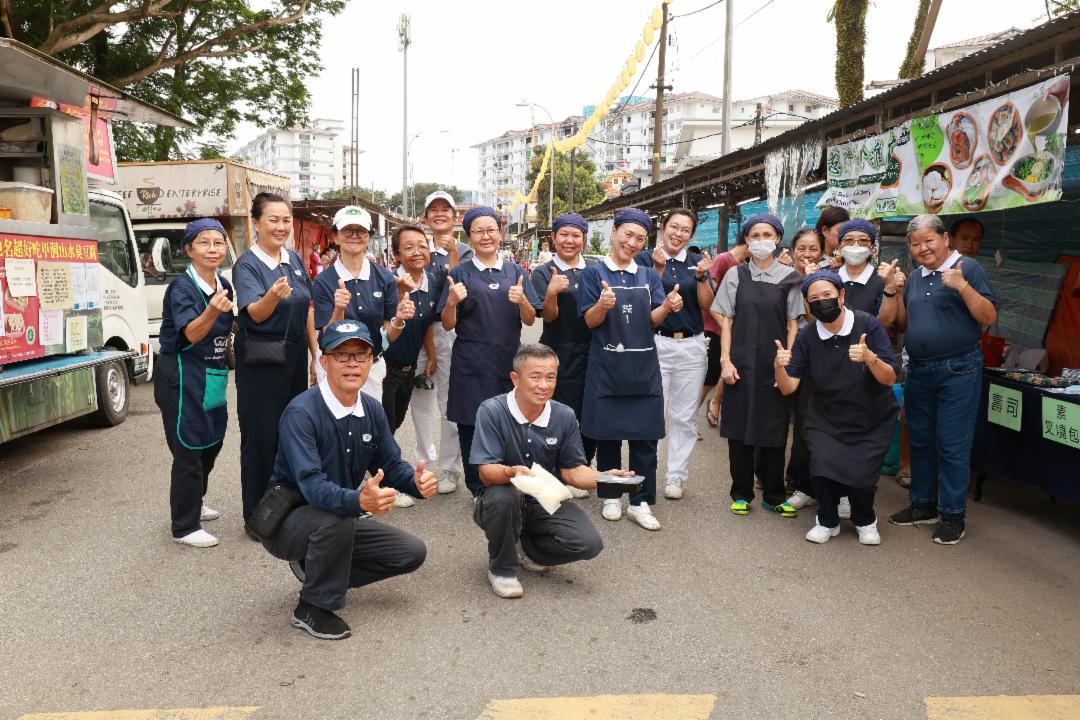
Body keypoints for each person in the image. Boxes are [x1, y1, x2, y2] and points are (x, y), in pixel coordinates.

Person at [260, 320, 436, 640]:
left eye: (361, 355)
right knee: (340, 516)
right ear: (324, 362)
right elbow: (312, 486)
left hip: (335, 517)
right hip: (287, 523)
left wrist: (416, 483)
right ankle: (312, 606)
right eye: (342, 355)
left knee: (411, 552)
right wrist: (358, 501)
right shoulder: (302, 413)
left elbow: (391, 464)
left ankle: (320, 570)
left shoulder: (370, 408)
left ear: (372, 362)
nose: (352, 363)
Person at [471, 344, 633, 598]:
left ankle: (526, 547)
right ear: (515, 378)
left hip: (545, 499)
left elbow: (573, 472)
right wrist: (510, 472)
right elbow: (486, 472)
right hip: (500, 499)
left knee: (589, 544)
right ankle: (502, 569)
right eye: (535, 377)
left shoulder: (564, 415)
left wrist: (606, 478)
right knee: (505, 496)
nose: (543, 385)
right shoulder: (492, 411)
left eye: (550, 377)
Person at [889, 215, 996, 545]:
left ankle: (952, 515)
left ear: (945, 239)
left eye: (928, 241)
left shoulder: (968, 268)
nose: (922, 248)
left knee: (952, 443)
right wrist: (895, 291)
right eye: (915, 244)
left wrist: (962, 287)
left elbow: (989, 317)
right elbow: (905, 324)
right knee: (921, 439)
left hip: (958, 369)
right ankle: (922, 504)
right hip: (920, 368)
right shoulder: (917, 277)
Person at [774, 270, 899, 545]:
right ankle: (827, 519)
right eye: (814, 298)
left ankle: (865, 519)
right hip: (827, 415)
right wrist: (778, 367)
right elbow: (788, 387)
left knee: (862, 476)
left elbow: (889, 378)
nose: (822, 302)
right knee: (822, 465)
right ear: (807, 305)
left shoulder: (868, 325)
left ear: (842, 295)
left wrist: (870, 358)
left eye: (828, 295)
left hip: (871, 416)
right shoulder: (807, 336)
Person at [578, 208, 684, 531]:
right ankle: (611, 496)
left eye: (640, 238)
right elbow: (589, 321)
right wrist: (602, 306)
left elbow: (651, 321)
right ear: (613, 233)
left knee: (645, 440)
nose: (633, 242)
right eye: (627, 234)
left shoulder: (650, 275)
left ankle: (639, 502)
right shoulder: (594, 274)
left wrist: (666, 307)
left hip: (643, 368)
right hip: (606, 366)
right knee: (608, 437)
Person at [438, 206, 542, 499]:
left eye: (491, 230)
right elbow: (447, 324)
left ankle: (510, 479)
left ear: (500, 233)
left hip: (508, 360)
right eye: (478, 231)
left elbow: (530, 318)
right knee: (471, 424)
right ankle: (478, 489)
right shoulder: (460, 272)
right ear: (469, 236)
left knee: (511, 421)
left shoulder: (515, 271)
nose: (486, 236)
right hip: (471, 359)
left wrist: (522, 300)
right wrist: (451, 302)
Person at [233, 192, 319, 529]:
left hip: (294, 356)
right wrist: (271, 296)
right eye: (273, 219)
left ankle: (283, 505)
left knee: (292, 432)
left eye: (286, 220)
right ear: (256, 224)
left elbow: (307, 307)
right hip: (261, 361)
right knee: (261, 437)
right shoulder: (248, 264)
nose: (281, 226)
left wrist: (316, 353)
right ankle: (256, 515)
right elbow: (253, 313)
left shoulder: (293, 259)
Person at [710, 213, 803, 518]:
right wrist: (725, 360)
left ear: (778, 239)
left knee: (774, 429)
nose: (762, 240)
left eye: (768, 235)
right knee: (738, 428)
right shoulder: (736, 275)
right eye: (755, 235)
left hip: (774, 363)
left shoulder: (790, 277)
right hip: (741, 361)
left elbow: (792, 324)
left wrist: (787, 365)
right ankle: (741, 493)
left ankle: (774, 495)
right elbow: (726, 321)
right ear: (747, 240)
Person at [154, 218, 235, 548]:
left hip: (212, 374)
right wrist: (213, 311)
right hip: (182, 375)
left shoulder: (223, 283)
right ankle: (184, 526)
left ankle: (195, 500)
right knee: (188, 446)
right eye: (204, 242)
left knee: (212, 441)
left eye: (218, 242)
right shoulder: (182, 288)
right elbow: (191, 333)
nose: (213, 248)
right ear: (189, 249)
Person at [638, 208, 714, 500]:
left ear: (691, 235)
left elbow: (707, 305)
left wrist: (703, 278)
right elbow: (642, 298)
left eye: (685, 230)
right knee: (654, 412)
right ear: (663, 227)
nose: (678, 234)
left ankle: (676, 477)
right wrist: (657, 270)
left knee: (684, 417)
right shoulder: (646, 258)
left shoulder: (697, 262)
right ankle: (649, 472)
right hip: (657, 344)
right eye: (674, 227)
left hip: (692, 346)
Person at [530, 213, 598, 496]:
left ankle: (580, 466)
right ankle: (553, 470)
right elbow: (547, 316)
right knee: (559, 413)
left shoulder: (595, 269)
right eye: (564, 235)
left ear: (583, 239)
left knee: (590, 411)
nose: (570, 241)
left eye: (576, 236)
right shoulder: (543, 272)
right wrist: (551, 293)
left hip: (593, 349)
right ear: (554, 238)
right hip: (559, 349)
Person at [411, 190, 472, 494]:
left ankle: (450, 468)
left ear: (454, 216)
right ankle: (423, 463)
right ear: (425, 218)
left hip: (449, 330)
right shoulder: (419, 248)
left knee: (449, 402)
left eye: (444, 209)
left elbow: (464, 287)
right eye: (432, 210)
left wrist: (453, 257)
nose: (439, 214)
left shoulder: (465, 250)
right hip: (418, 329)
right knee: (420, 399)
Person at [312, 206, 410, 397]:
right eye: (347, 230)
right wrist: (339, 309)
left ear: (368, 236)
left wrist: (398, 319)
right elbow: (328, 336)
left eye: (361, 231)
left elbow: (388, 336)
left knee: (368, 422)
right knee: (332, 423)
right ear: (336, 236)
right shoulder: (324, 281)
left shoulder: (384, 277)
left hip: (370, 366)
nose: (354, 236)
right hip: (334, 363)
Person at [382, 224, 440, 435]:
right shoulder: (387, 282)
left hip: (410, 367)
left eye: (422, 246)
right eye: (409, 247)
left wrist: (432, 355)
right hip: (385, 368)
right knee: (385, 426)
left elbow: (426, 323)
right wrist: (398, 294)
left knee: (395, 422)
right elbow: (383, 326)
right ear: (397, 255)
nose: (417, 252)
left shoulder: (431, 281)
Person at [783, 227, 825, 510]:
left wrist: (811, 281)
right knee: (782, 418)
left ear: (822, 252)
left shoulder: (825, 280)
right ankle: (781, 476)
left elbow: (815, 316)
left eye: (813, 249)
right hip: (784, 354)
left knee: (807, 419)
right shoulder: (782, 276)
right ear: (792, 249)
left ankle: (805, 480)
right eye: (802, 249)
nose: (807, 254)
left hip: (814, 357)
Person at [702, 235, 751, 428]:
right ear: (747, 241)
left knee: (730, 370)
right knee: (709, 380)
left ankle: (715, 402)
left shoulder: (746, 264)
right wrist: (723, 324)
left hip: (734, 329)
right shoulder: (723, 259)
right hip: (715, 327)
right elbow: (709, 297)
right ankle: (688, 423)